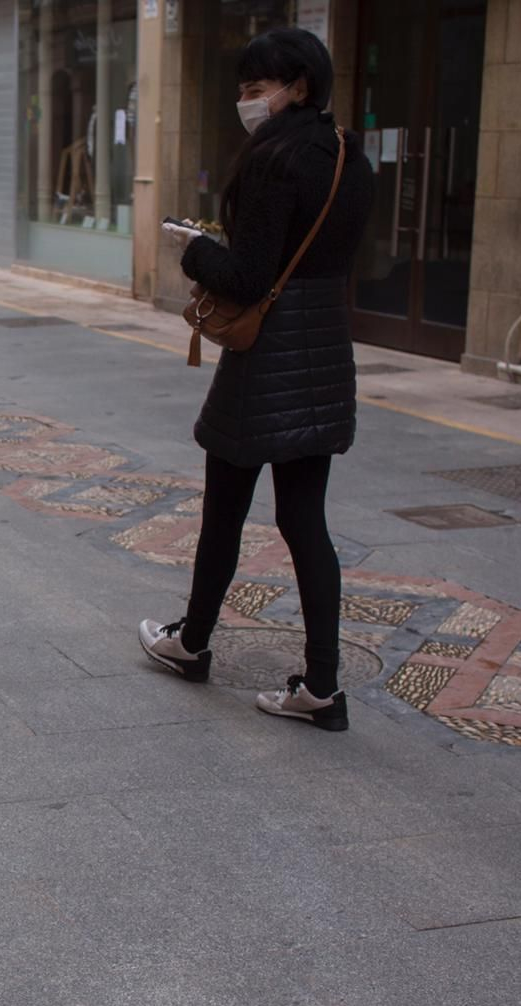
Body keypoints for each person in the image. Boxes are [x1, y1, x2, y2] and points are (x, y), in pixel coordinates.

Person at [139, 27, 373, 733]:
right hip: (324, 344)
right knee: (306, 522)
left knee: (225, 509)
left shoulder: (276, 159)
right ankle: (323, 689)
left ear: (298, 85)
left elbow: (248, 276)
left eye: (255, 89)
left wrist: (195, 250)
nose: (246, 101)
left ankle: (192, 642)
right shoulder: (348, 156)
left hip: (268, 354)